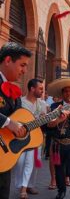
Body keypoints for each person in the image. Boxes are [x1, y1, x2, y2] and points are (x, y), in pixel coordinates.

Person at [0, 42, 32, 199]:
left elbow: (19, 119)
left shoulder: (13, 90)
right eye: (22, 65)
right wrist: (8, 122)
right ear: (7, 60)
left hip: (4, 158)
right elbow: (11, 122)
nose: (25, 71)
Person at [14, 79, 47, 198]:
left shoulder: (42, 104)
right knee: (21, 162)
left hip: (36, 137)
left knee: (33, 161)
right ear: (32, 89)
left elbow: (44, 119)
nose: (42, 91)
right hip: (21, 138)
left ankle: (26, 187)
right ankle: (21, 184)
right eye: (40, 89)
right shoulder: (20, 102)